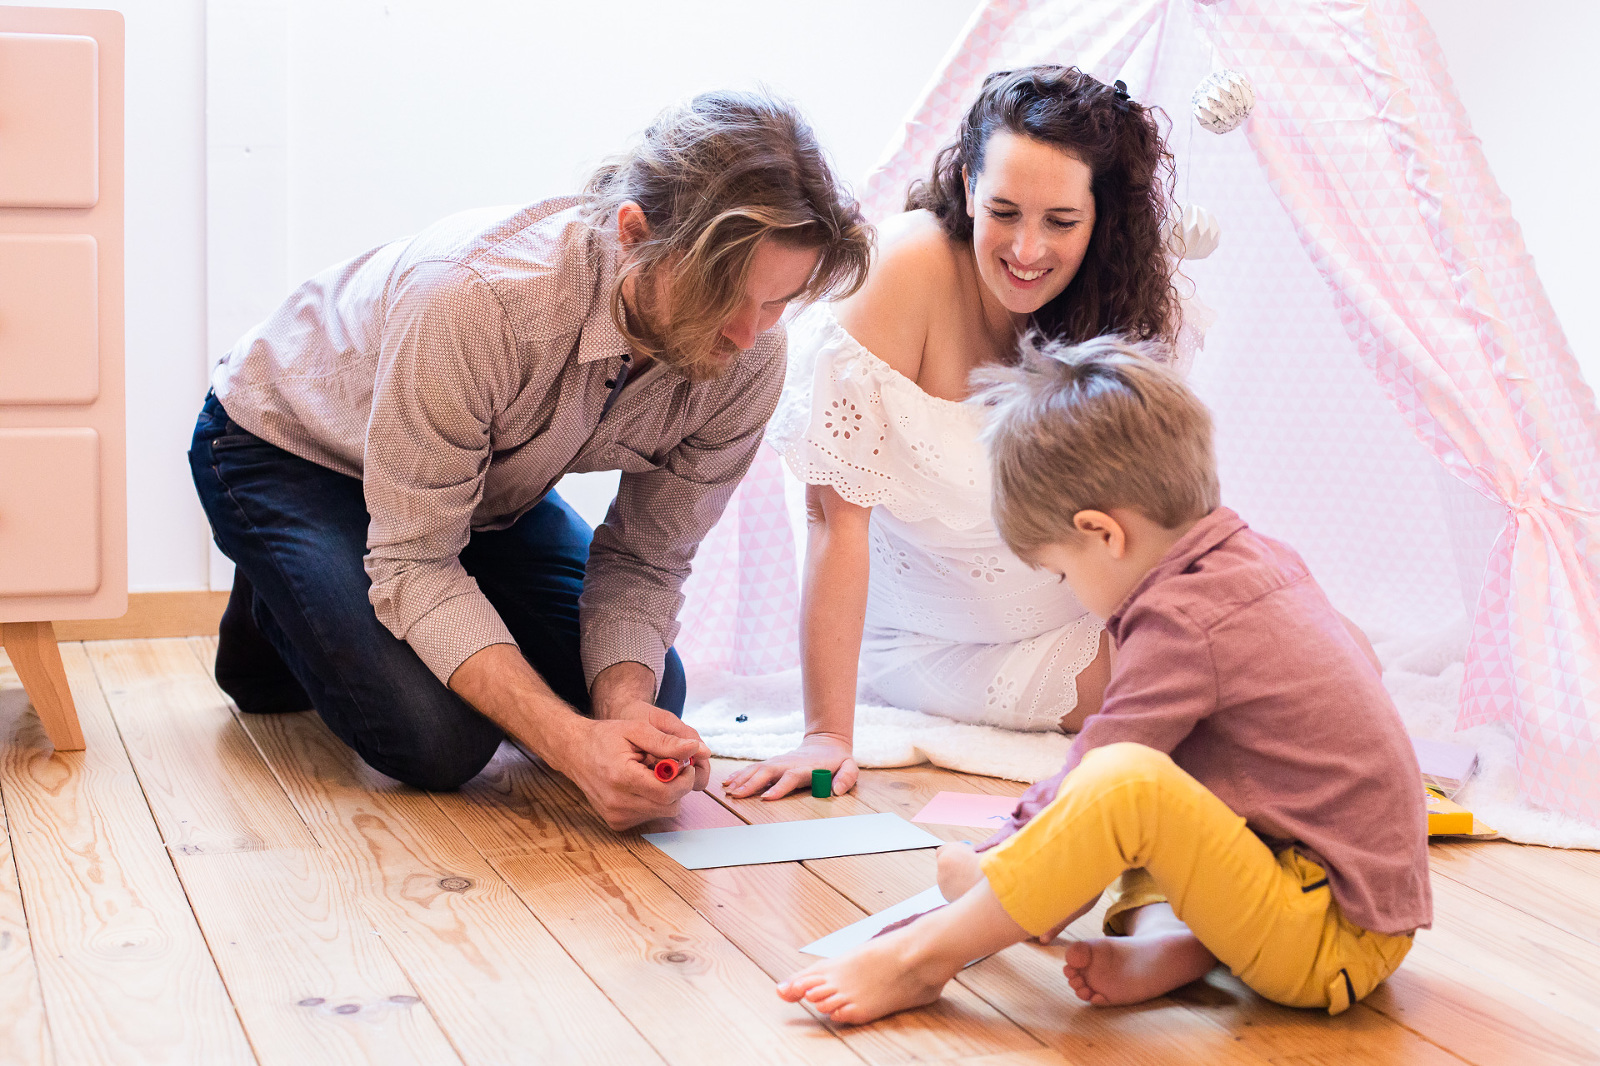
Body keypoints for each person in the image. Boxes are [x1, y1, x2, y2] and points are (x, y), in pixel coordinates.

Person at [189, 91, 871, 829]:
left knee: (652, 694)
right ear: (635, 234)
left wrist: (619, 717)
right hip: (287, 447)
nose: (746, 334)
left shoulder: (752, 354)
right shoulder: (479, 297)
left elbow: (646, 562)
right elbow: (416, 561)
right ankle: (278, 590)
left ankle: (335, 586)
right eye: (725, 296)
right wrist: (576, 747)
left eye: (775, 302)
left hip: (479, 489)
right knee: (436, 742)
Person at [777, 335, 1430, 1022]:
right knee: (1167, 781)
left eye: (1062, 572)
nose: (1072, 592)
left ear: (1104, 534)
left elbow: (1102, 765)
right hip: (1315, 889)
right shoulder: (1249, 558)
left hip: (1328, 934)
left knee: (1128, 781)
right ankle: (1171, 943)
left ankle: (921, 959)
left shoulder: (1186, 620)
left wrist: (1005, 857)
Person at [725, 66, 1182, 801]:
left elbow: (1152, 521)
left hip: (1093, 613)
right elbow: (831, 522)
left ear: (1101, 221)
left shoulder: (1117, 304)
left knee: (1317, 650)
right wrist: (826, 737)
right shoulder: (902, 274)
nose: (1026, 250)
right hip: (940, 647)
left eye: (1060, 222)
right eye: (1003, 211)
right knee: (1205, 689)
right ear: (968, 186)